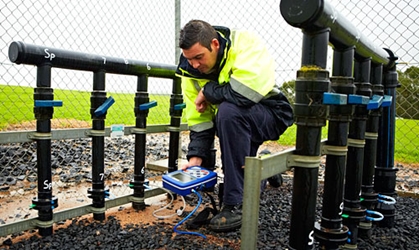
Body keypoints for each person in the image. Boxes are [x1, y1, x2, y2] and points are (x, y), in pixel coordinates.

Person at [175, 20, 293, 232]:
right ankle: (264, 168)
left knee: (228, 112)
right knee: (230, 127)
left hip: (271, 112)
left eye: (199, 57)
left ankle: (235, 204)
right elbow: (199, 120)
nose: (194, 65)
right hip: (235, 120)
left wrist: (208, 91)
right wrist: (195, 158)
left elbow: (244, 93)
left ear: (215, 44)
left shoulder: (244, 43)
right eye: (189, 59)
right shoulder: (189, 73)